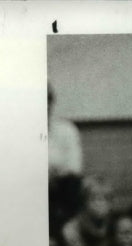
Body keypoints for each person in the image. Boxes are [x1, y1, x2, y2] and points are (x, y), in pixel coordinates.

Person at [48, 83, 84, 234]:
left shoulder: (67, 130)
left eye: (47, 100)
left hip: (61, 192)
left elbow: (75, 168)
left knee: (71, 186)